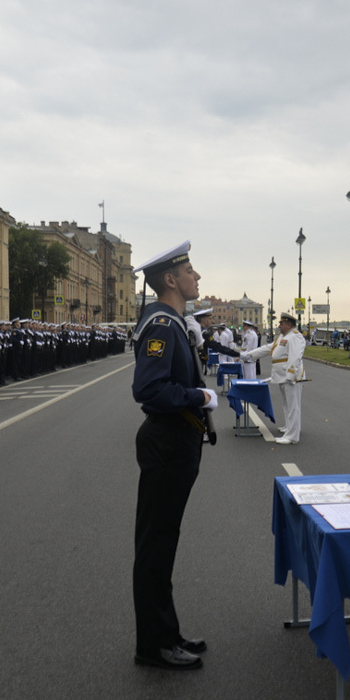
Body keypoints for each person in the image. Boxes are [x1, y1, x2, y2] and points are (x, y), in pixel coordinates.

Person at [130, 240, 219, 671]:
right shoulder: (163, 325)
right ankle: (154, 644)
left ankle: (165, 630)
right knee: (156, 544)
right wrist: (197, 394)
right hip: (167, 442)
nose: (197, 277)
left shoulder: (172, 321)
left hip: (176, 441)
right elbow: (148, 390)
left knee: (164, 541)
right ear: (170, 279)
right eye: (190, 271)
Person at [242, 312, 306, 444]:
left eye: (281, 323)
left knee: (293, 405)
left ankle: (292, 436)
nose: (279, 326)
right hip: (282, 375)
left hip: (290, 377)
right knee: (287, 404)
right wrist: (249, 355)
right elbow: (268, 348)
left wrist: (290, 375)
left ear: (288, 324)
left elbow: (295, 357)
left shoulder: (295, 337)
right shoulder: (283, 337)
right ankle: (290, 427)